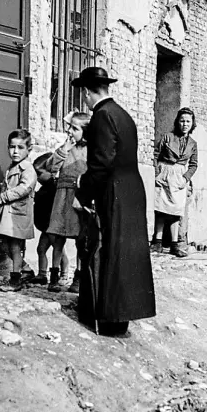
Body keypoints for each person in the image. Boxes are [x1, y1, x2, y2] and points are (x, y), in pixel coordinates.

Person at [73, 66, 156, 336]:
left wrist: (83, 190)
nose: (84, 99)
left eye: (83, 94)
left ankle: (110, 316)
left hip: (114, 191)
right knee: (127, 253)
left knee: (111, 251)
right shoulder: (122, 114)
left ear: (87, 92)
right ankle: (121, 316)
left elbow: (102, 163)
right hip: (132, 190)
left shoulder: (102, 116)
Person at [41, 112, 90, 292]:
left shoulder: (91, 150)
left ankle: (78, 277)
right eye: (70, 127)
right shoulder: (66, 147)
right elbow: (51, 167)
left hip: (77, 198)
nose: (69, 131)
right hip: (61, 197)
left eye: (75, 128)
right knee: (57, 236)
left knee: (80, 238)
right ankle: (54, 276)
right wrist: (64, 150)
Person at [0, 129, 37, 291]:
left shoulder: (27, 169)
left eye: (20, 147)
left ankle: (15, 280)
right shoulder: (13, 167)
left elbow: (24, 188)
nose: (15, 151)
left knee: (14, 246)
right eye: (12, 147)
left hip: (18, 214)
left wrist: (5, 196)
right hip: (10, 212)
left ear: (29, 149)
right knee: (5, 246)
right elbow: (7, 185)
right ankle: (26, 270)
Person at [151, 107, 199, 257]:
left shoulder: (193, 143)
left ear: (192, 124)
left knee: (176, 211)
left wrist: (185, 178)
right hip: (164, 172)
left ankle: (174, 245)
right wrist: (157, 174)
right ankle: (157, 243)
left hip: (179, 176)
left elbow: (193, 164)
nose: (185, 124)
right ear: (177, 122)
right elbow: (155, 155)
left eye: (188, 121)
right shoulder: (167, 137)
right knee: (160, 209)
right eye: (182, 121)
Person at [29, 150, 69, 287]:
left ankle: (63, 274)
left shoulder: (54, 187)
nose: (37, 177)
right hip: (45, 226)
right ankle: (42, 274)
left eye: (39, 173)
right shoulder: (45, 187)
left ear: (51, 172)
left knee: (59, 251)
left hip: (53, 225)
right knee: (41, 249)